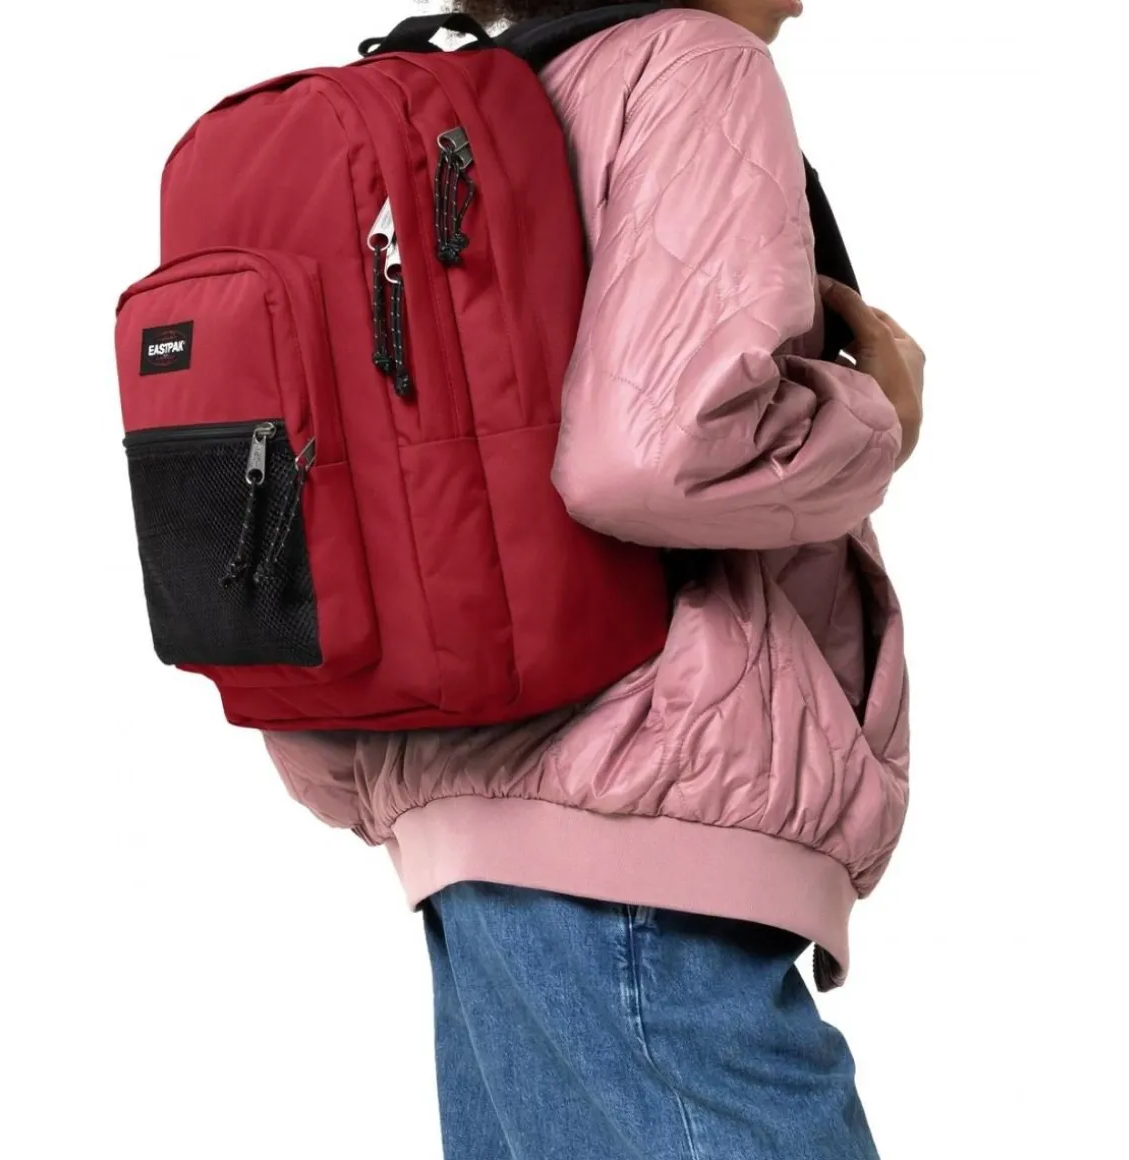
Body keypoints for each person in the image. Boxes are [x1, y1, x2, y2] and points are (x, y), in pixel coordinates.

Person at [264, 1, 925, 1156]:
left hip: (473, 821)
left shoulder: (497, 95)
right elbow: (653, 456)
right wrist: (877, 413)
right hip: (641, 832)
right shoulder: (689, 64)